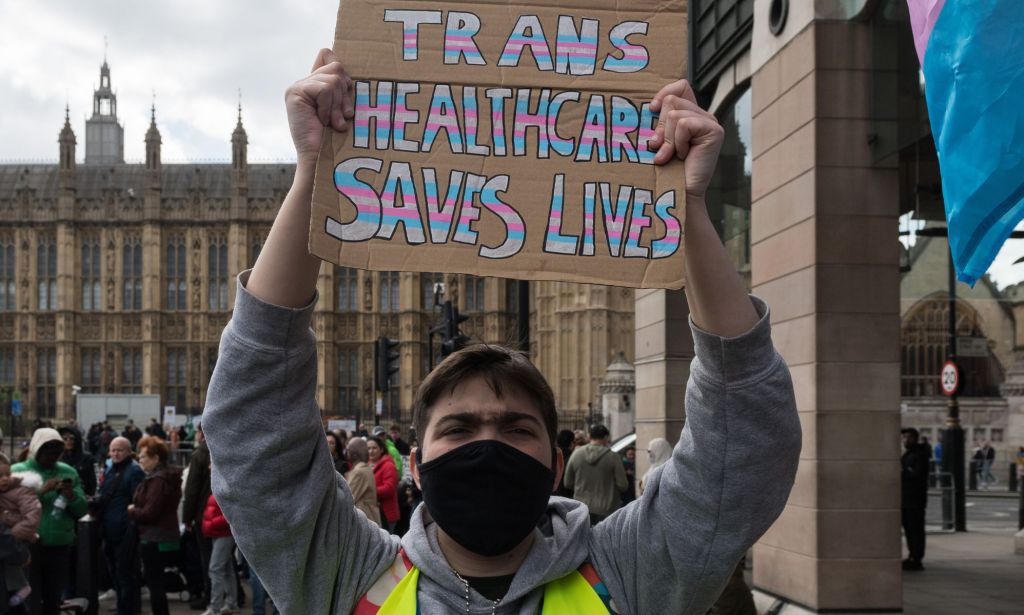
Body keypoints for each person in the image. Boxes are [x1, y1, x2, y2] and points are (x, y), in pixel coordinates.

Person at [202, 49, 800, 614]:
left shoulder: (629, 575)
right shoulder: (350, 577)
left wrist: (686, 208)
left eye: (516, 429)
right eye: (459, 428)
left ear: (557, 461)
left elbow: (742, 447)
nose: (487, 448)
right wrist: (316, 173)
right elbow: (252, 434)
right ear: (414, 464)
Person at [12, 429, 87, 615]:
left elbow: (81, 510)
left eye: (56, 454)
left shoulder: (67, 472)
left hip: (59, 544)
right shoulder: (19, 471)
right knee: (30, 596)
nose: (52, 458)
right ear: (37, 450)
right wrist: (41, 491)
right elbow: (11, 506)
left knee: (53, 597)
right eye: (48, 454)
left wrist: (71, 496)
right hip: (28, 545)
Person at [127, 436, 181, 615]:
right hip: (164, 535)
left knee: (155, 586)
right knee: (157, 585)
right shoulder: (165, 477)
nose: (140, 460)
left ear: (156, 458)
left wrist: (132, 510)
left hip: (154, 538)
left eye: (143, 457)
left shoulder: (158, 480)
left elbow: (150, 512)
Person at [95, 437, 145, 615]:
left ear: (128, 452)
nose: (115, 453)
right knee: (116, 574)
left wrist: (130, 529)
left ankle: (127, 610)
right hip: (109, 530)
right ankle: (123, 608)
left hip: (124, 532)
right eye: (113, 450)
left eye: (119, 450)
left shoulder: (133, 471)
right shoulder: (111, 470)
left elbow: (138, 501)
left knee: (125, 576)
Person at [563, 425, 628, 525]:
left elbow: (567, 483)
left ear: (590, 436)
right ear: (606, 438)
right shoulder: (613, 457)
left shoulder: (576, 454)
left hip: (581, 508)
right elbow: (623, 485)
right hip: (607, 510)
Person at [1, 458, 41, 608]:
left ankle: (23, 586)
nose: (5, 479)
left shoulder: (21, 491)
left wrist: (12, 534)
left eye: (7, 474)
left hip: (19, 535)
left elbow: (32, 517)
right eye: (0, 476)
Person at [181, 423, 213, 610]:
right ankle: (236, 595)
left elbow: (191, 491)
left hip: (205, 515)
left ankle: (210, 596)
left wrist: (187, 518)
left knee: (207, 559)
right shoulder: (225, 448)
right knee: (224, 560)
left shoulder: (200, 454)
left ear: (201, 433)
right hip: (225, 515)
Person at [201, 489, 237, 615]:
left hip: (223, 532)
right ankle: (231, 603)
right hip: (218, 532)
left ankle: (215, 607)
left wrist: (212, 522)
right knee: (226, 569)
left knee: (215, 569)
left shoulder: (225, 483)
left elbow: (231, 512)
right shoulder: (219, 481)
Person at [901, 428, 929, 571]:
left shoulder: (920, 455)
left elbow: (916, 475)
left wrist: (904, 472)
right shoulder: (908, 454)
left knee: (916, 530)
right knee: (909, 530)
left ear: (916, 438)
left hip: (915, 499)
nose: (906, 440)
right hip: (906, 499)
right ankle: (913, 555)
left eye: (909, 437)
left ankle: (917, 558)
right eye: (904, 437)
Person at [343, 439, 379, 526]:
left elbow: (347, 497)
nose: (346, 453)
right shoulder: (365, 468)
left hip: (364, 520)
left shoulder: (359, 472)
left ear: (355, 453)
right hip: (369, 517)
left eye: (348, 450)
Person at [367, 437, 400, 532]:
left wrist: (369, 492)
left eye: (374, 448)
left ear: (381, 449)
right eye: (368, 448)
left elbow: (389, 488)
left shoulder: (388, 465)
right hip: (372, 513)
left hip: (386, 514)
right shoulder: (366, 464)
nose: (371, 451)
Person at [57, 428, 96, 498]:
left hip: (81, 496)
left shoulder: (86, 458)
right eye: (65, 439)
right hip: (61, 497)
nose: (68, 441)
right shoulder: (58, 458)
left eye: (71, 438)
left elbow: (92, 482)